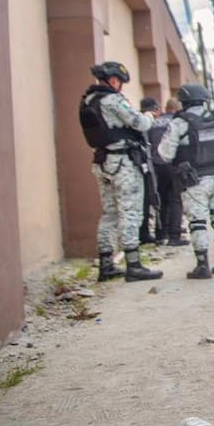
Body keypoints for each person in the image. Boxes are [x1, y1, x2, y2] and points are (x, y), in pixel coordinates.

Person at [78, 61, 163, 282]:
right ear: (114, 80)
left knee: (110, 214)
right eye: (120, 82)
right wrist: (149, 115)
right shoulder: (113, 100)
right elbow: (140, 123)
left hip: (102, 162)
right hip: (123, 163)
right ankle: (134, 265)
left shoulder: (88, 100)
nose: (120, 86)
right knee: (130, 212)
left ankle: (106, 264)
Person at [158, 83, 214, 279]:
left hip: (194, 180)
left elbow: (165, 154)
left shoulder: (179, 123)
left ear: (183, 101)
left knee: (198, 222)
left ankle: (202, 265)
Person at [150, 97, 188, 246]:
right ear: (178, 108)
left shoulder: (154, 123)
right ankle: (174, 235)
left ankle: (161, 233)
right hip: (173, 164)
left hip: (157, 165)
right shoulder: (177, 123)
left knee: (162, 199)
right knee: (176, 199)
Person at [137, 97, 162, 244]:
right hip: (146, 166)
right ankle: (144, 233)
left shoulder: (139, 121)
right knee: (146, 200)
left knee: (147, 200)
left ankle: (145, 232)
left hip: (144, 165)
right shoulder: (147, 122)